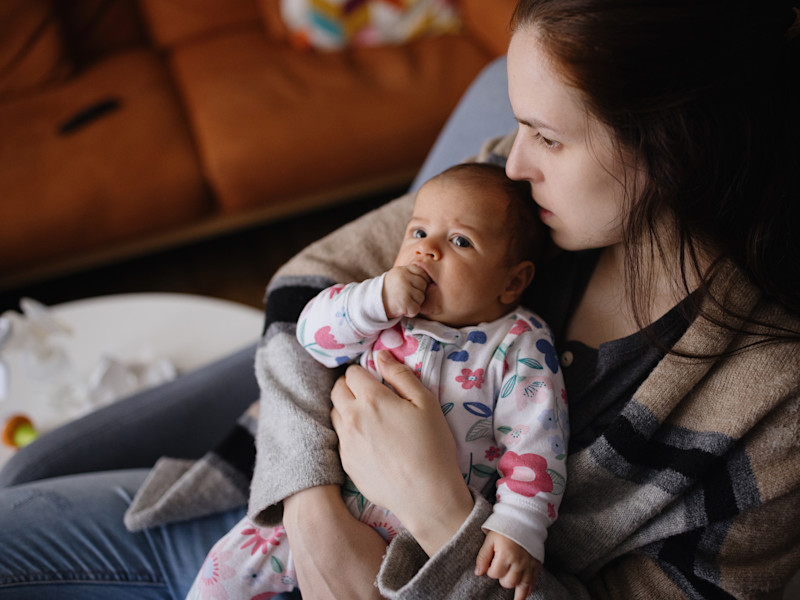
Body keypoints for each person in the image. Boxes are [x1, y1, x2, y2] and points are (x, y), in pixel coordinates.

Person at [1, 1, 799, 598]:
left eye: (548, 137)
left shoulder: (773, 411)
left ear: (679, 141)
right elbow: (309, 284)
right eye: (519, 126)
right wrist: (312, 508)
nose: (512, 162)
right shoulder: (514, 198)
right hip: (262, 515)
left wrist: (437, 510)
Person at [185, 163, 568, 600]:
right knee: (222, 579)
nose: (427, 252)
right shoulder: (381, 311)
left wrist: (519, 524)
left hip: (413, 554)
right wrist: (375, 300)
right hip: (318, 504)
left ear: (513, 280)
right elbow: (310, 337)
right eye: (418, 233)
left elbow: (536, 442)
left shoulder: (519, 344)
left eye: (460, 241)